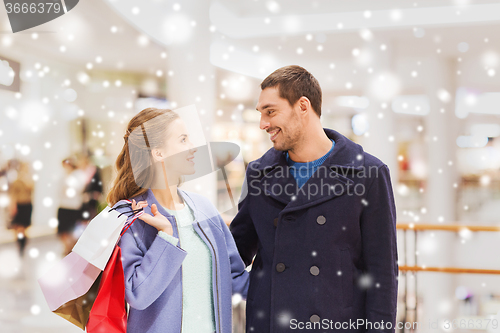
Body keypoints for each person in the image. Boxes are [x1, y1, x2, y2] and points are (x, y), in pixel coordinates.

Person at [230, 65, 398, 333]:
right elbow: (236, 251)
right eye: (260, 114)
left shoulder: (367, 174)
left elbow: (382, 275)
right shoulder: (259, 173)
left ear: (303, 106)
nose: (263, 124)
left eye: (270, 112)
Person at [106, 107, 249, 333]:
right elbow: (137, 295)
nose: (192, 147)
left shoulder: (204, 209)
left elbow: (236, 278)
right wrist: (165, 238)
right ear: (158, 152)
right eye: (183, 140)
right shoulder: (132, 217)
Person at [57, 157, 86, 255]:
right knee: (63, 230)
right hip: (63, 205)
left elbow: (77, 189)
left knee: (73, 230)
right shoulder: (62, 176)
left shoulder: (78, 174)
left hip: (74, 206)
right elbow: (59, 191)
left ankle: (72, 248)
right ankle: (66, 247)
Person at [8, 160, 34, 257]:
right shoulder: (17, 180)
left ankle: (22, 246)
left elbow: (31, 189)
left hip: (26, 205)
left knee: (23, 228)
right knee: (17, 227)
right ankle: (20, 245)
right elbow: (13, 194)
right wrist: (12, 205)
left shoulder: (29, 180)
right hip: (19, 205)